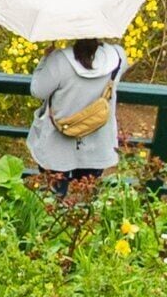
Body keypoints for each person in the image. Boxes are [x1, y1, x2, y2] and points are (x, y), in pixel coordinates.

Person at [28, 36, 128, 196]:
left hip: (57, 142)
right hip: (97, 142)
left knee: (54, 195)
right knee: (86, 193)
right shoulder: (118, 56)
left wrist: (46, 59)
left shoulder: (59, 60)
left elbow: (38, 90)